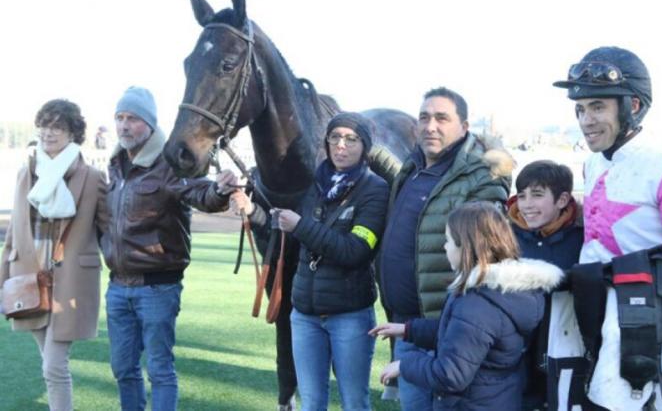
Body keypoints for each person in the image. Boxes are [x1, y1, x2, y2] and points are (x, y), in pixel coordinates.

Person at [552, 46, 662, 410]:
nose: (586, 120)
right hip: (592, 315)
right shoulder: (591, 162)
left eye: (598, 106)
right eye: (581, 109)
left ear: (632, 107)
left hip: (655, 330)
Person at [232, 112, 389, 411]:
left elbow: (354, 250)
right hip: (304, 316)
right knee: (312, 403)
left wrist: (301, 226)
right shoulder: (314, 185)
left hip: (349, 316)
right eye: (335, 138)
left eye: (351, 139)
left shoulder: (376, 190)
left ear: (364, 146)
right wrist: (252, 211)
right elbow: (284, 235)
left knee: (354, 402)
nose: (341, 145)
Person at [375, 86, 514, 408]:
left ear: (463, 127)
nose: (430, 126)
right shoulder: (412, 170)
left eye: (441, 118)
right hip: (407, 325)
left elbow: (485, 254)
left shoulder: (481, 176)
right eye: (424, 118)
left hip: (448, 333)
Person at [102, 86, 237, 411]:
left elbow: (200, 193)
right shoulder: (115, 165)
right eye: (119, 118)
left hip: (157, 289)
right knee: (123, 369)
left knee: (160, 370)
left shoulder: (169, 163)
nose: (123, 125)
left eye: (132, 119)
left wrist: (219, 191)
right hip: (118, 288)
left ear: (148, 124)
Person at [372, 202, 564, 410]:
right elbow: (462, 336)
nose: (444, 247)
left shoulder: (477, 305)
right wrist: (408, 330)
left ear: (467, 246)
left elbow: (450, 374)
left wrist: (405, 365)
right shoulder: (495, 293)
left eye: (449, 241)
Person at [0, 99, 108, 411]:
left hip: (71, 281)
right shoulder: (26, 173)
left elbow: (109, 229)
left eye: (58, 127)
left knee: (53, 366)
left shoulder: (92, 177)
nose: (49, 132)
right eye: (45, 125)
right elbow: (15, 232)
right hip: (29, 279)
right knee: (49, 362)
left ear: (73, 133)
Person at [506, 160, 584, 410]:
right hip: (517, 352)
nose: (527, 204)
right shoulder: (506, 237)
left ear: (562, 200)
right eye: (522, 195)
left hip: (565, 347)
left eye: (537, 195)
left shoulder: (582, 239)